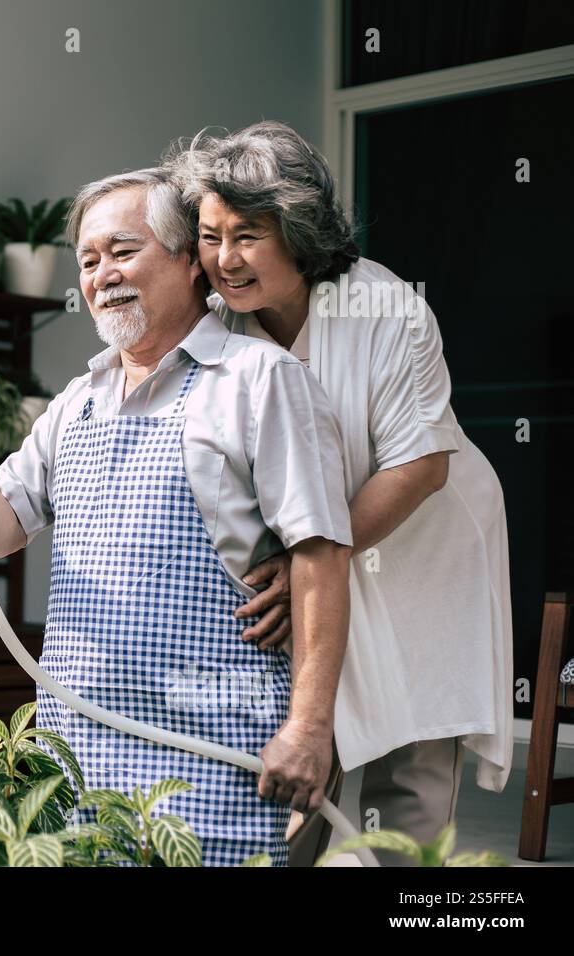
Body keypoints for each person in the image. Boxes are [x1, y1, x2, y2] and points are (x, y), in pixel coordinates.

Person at [0, 166, 353, 866]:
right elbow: (0, 531)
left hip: (210, 753)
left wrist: (309, 728)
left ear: (189, 262)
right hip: (75, 753)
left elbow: (324, 557)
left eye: (123, 251)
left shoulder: (261, 381)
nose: (102, 274)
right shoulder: (74, 403)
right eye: (88, 261)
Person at [176, 121, 513, 866]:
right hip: (313, 553)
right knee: (300, 758)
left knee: (412, 767)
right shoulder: (215, 322)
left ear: (299, 230)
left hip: (423, 540)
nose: (224, 260)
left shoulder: (386, 309)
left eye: (248, 235)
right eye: (209, 236)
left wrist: (306, 563)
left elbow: (422, 466)